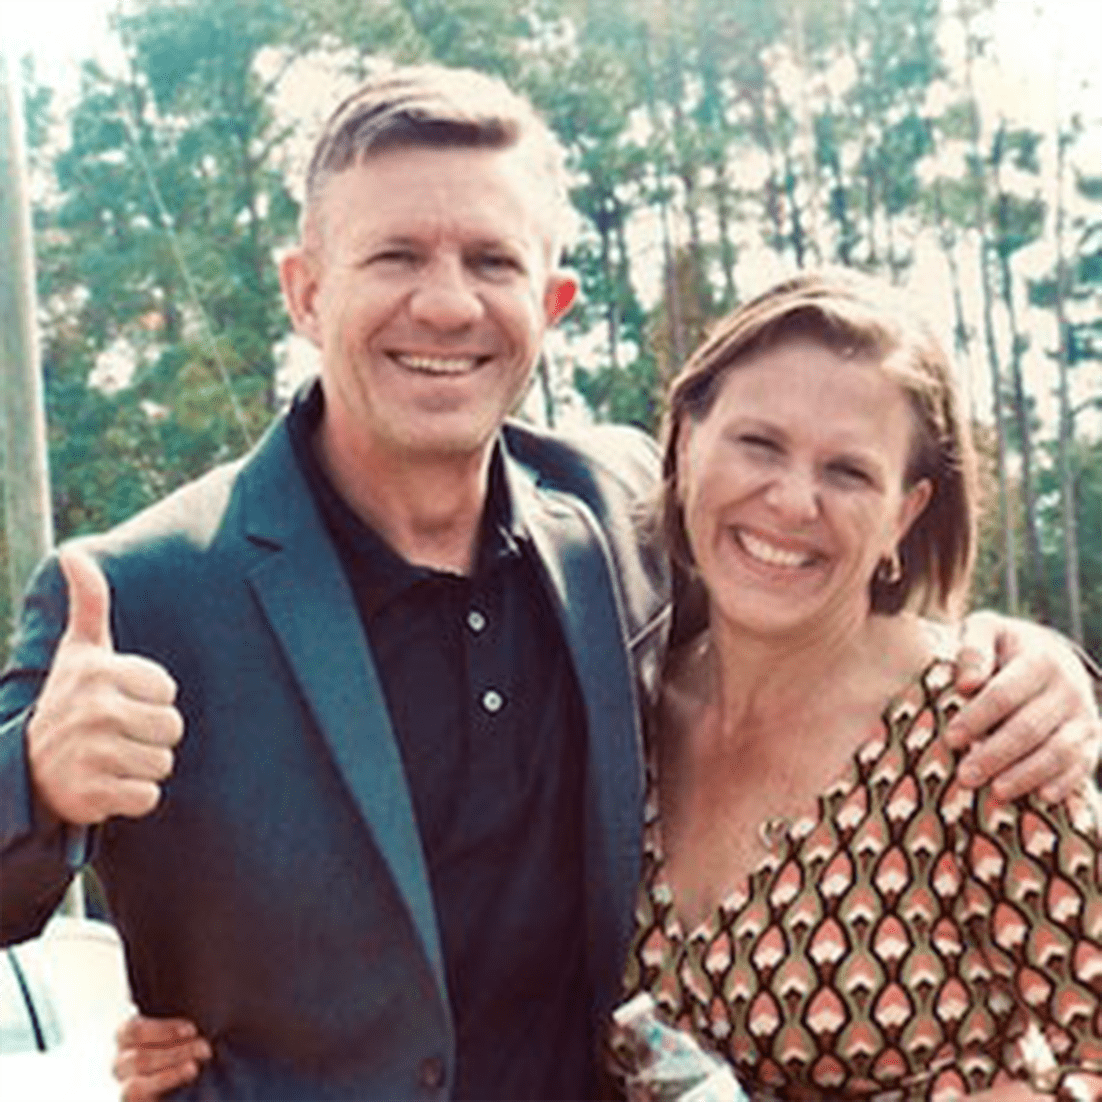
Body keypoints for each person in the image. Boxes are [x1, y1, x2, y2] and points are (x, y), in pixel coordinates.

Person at [0, 65, 1095, 1102]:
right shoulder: (139, 593)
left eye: (490, 261)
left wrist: (1026, 656)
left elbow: (816, 588)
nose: (444, 304)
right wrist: (37, 781)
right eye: (395, 257)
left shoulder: (617, 519)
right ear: (304, 290)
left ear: (554, 300)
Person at [605, 269, 1102, 1101]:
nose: (793, 501)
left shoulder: (981, 728)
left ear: (903, 516)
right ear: (688, 443)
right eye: (759, 444)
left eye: (848, 472)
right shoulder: (625, 702)